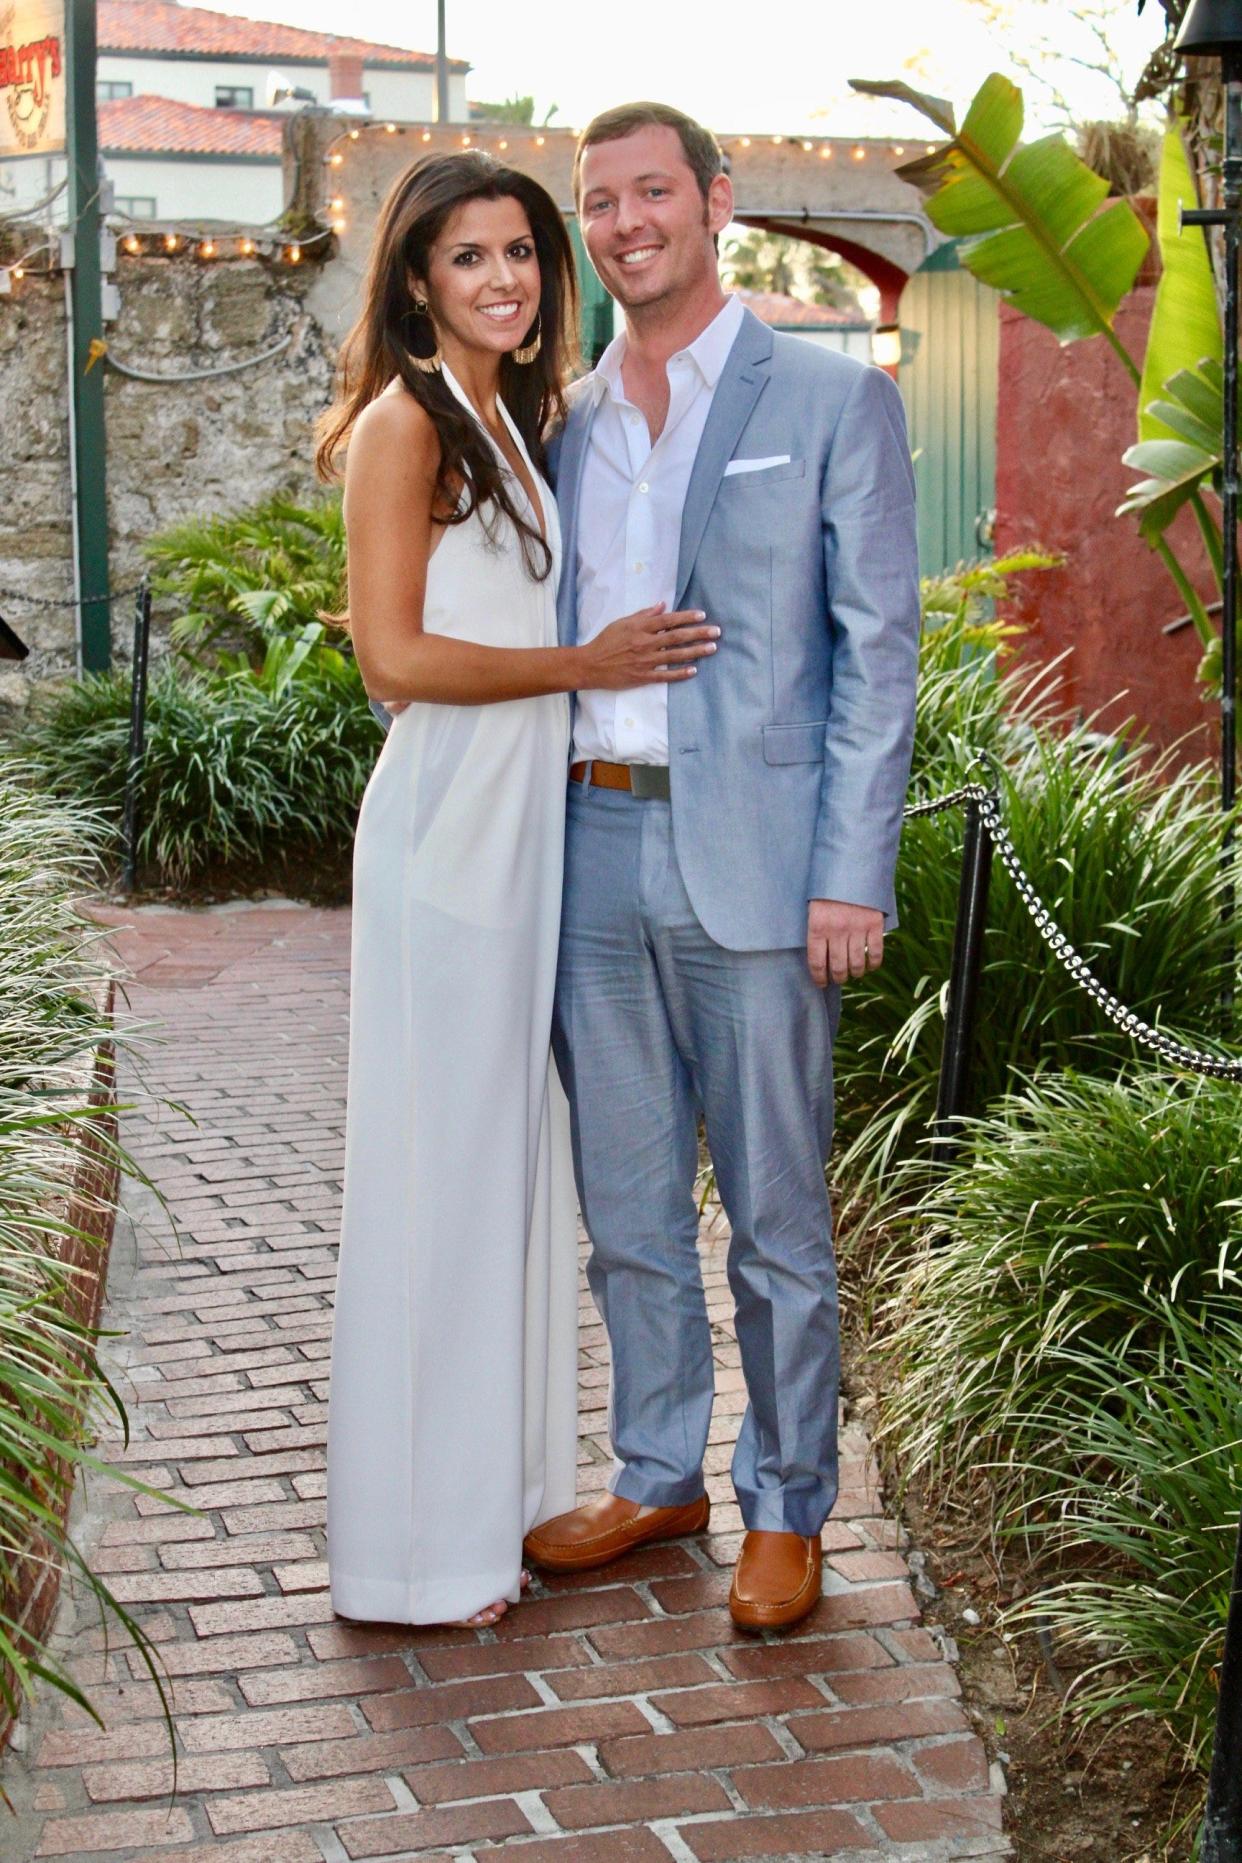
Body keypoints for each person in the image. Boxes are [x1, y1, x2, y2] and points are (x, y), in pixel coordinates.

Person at [523, 103, 921, 1633]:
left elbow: (873, 659)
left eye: (649, 193)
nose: (624, 223)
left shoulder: (823, 398)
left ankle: (786, 1506)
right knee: (625, 1203)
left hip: (755, 863)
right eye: (598, 201)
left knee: (771, 1217)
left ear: (714, 201)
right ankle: (655, 1470)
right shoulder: (562, 420)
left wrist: (852, 872)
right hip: (587, 843)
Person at [318, 150, 719, 1630]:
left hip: (524, 833)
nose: (504, 279)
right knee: (439, 1183)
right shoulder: (399, 427)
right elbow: (394, 662)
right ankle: (412, 1557)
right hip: (447, 839)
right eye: (468, 258)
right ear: (418, 279)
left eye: (520, 255)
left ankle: (492, 1513)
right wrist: (582, 664)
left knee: (509, 1171)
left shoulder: (510, 417)